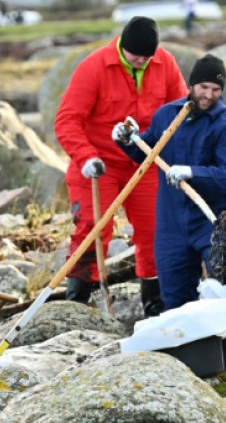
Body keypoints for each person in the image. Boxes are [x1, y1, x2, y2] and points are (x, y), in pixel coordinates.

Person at [54, 16, 188, 317]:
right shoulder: (93, 67)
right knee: (92, 228)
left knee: (156, 232)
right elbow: (67, 120)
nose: (141, 61)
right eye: (135, 56)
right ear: (122, 46)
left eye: (147, 57)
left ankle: (156, 307)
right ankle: (76, 305)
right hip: (98, 164)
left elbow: (180, 112)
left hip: (144, 162)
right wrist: (86, 157)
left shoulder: (165, 63)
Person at [112, 54, 226, 311]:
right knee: (175, 301)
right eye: (204, 87)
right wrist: (128, 140)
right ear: (191, 84)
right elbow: (147, 152)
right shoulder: (167, 116)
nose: (208, 95)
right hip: (170, 225)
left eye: (216, 89)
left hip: (213, 220)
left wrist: (193, 173)